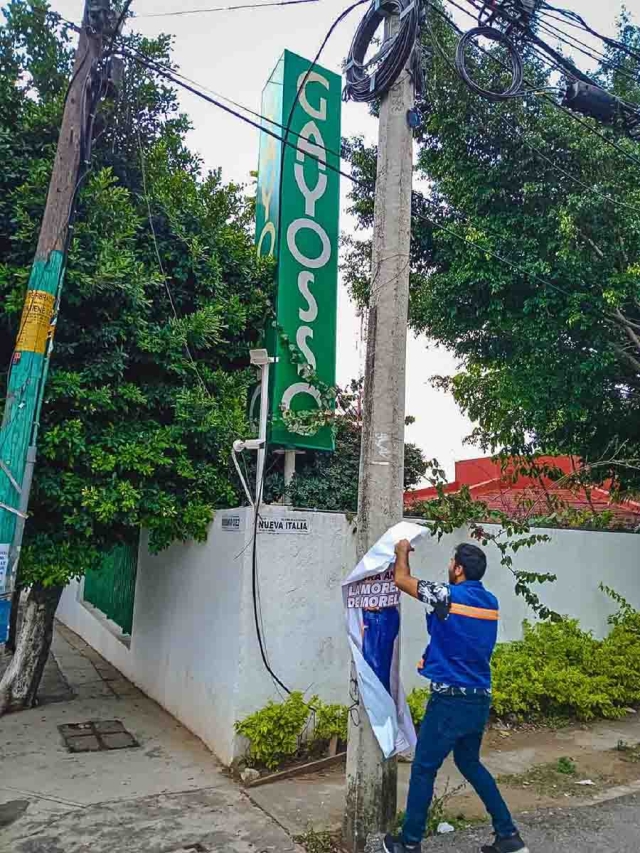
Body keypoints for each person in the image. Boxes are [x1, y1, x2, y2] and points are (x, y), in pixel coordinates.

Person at [383, 540, 528, 853]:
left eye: (452, 562)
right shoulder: (490, 602)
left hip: (449, 701)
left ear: (459, 569)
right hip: (478, 699)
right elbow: (463, 637)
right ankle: (508, 836)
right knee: (469, 762)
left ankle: (408, 844)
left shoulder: (447, 595)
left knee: (423, 768)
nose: (449, 567)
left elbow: (402, 581)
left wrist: (402, 552)